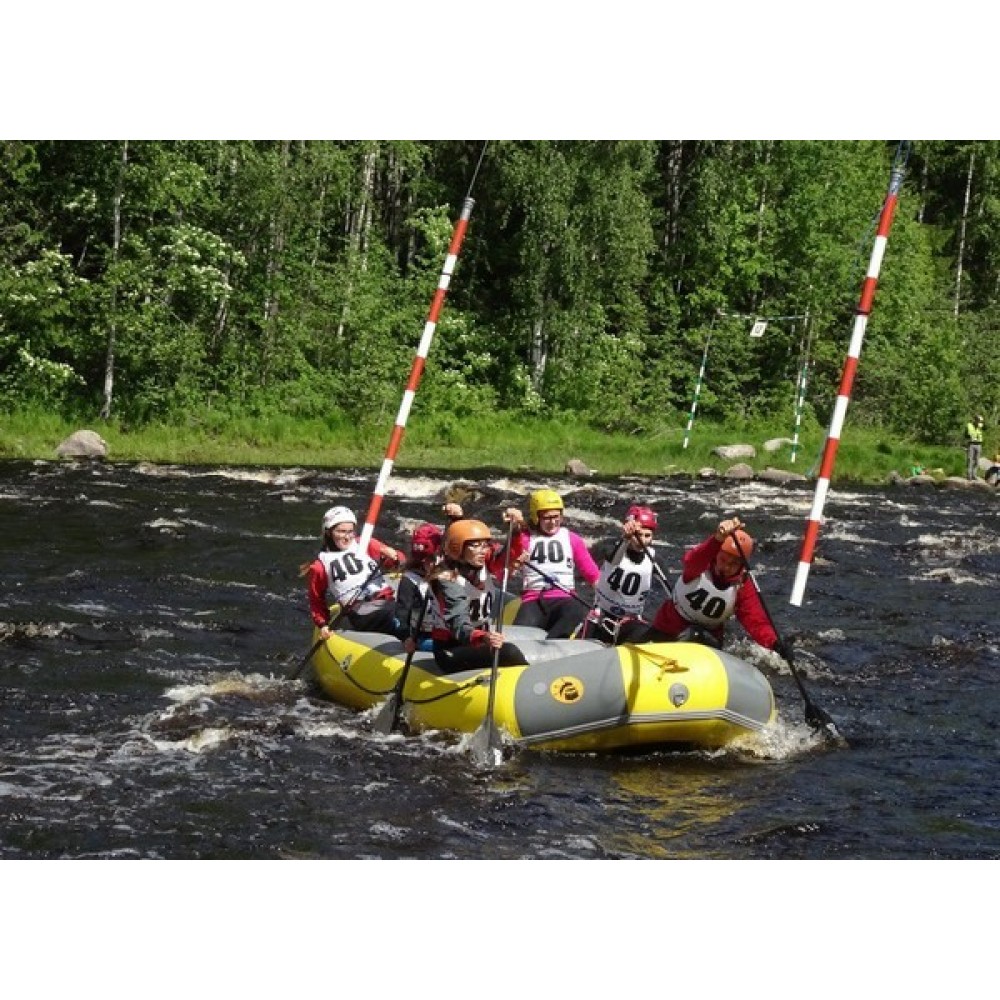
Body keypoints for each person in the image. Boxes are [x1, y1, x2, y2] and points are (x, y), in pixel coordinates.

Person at [644, 516, 788, 658]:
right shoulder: (700, 566)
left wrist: (775, 643)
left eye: (733, 564)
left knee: (696, 634)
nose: (726, 567)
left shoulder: (742, 585)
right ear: (716, 554)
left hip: (707, 639)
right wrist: (718, 538)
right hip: (668, 629)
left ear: (742, 566)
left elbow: (756, 622)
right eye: (723, 559)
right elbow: (691, 559)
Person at [427, 518, 524, 674]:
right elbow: (458, 622)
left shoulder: (483, 563)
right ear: (458, 548)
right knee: (509, 652)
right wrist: (482, 637)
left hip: (479, 642)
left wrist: (516, 530)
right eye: (475, 545)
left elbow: (509, 554)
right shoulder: (446, 579)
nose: (483, 550)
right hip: (452, 648)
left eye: (485, 545)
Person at [506, 488, 601, 638]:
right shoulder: (524, 538)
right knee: (520, 634)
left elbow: (593, 576)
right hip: (534, 599)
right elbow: (506, 572)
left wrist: (604, 604)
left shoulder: (572, 539)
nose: (553, 522)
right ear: (536, 517)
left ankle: (552, 646)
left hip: (565, 598)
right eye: (547, 518)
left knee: (577, 608)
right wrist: (515, 561)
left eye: (556, 517)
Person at [306, 505, 404, 639]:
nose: (347, 537)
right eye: (341, 531)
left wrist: (394, 556)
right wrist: (323, 624)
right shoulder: (320, 565)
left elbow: (397, 563)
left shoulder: (365, 543)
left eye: (350, 531)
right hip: (363, 612)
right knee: (402, 616)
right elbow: (316, 600)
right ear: (329, 532)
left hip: (387, 602)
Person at [582, 505, 670, 644]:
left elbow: (668, 593)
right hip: (601, 617)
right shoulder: (611, 546)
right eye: (639, 535)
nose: (643, 540)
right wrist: (626, 539)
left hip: (630, 622)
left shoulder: (655, 559)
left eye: (647, 536)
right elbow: (614, 560)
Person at [394, 503, 465, 651]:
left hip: (450, 633)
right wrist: (406, 638)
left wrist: (457, 518)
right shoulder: (410, 580)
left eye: (431, 560)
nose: (429, 565)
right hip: (424, 636)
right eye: (424, 561)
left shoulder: (450, 572)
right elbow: (400, 616)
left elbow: (461, 541)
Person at [965, 414, 985, 480]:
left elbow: (986, 428)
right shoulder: (969, 425)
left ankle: (974, 474)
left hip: (979, 444)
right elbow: (967, 434)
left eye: (981, 421)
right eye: (979, 421)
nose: (980, 422)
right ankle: (969, 475)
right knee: (970, 459)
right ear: (975, 420)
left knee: (977, 460)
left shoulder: (980, 426)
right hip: (971, 444)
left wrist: (981, 425)